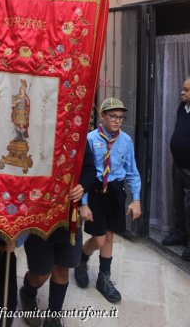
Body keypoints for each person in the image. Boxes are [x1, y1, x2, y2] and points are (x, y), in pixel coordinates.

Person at [19, 144, 96, 327]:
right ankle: (28, 293)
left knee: (62, 269)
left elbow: (90, 170)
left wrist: (82, 186)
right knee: (41, 273)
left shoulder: (77, 134)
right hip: (37, 216)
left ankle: (54, 315)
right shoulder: (33, 133)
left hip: (68, 217)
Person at [74, 98, 141, 303]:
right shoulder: (90, 139)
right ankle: (81, 258)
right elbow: (84, 174)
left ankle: (104, 278)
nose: (117, 121)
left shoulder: (126, 141)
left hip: (115, 192)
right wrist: (83, 203)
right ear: (102, 116)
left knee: (109, 236)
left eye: (121, 117)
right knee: (99, 239)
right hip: (94, 191)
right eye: (113, 116)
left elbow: (132, 172)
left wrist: (136, 199)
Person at [162, 77, 190, 261]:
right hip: (178, 165)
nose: (182, 92)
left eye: (186, 90)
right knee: (179, 203)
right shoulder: (183, 108)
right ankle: (180, 234)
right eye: (182, 89)